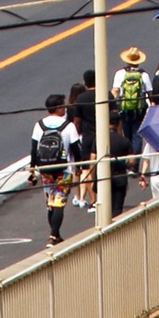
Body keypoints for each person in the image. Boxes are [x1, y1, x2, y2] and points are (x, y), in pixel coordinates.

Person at [28, 94, 80, 247]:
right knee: (59, 202)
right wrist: (79, 166)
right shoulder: (68, 126)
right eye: (63, 106)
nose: (64, 108)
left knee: (51, 201)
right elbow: (76, 148)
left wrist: (33, 169)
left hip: (46, 169)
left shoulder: (39, 125)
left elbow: (34, 149)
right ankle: (53, 235)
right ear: (58, 108)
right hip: (64, 169)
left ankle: (55, 233)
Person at [69, 70, 97, 210]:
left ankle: (89, 199)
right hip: (102, 136)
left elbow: (77, 121)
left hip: (86, 137)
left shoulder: (80, 100)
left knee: (84, 169)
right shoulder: (105, 95)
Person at [112, 47, 151, 148]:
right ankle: (135, 160)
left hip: (124, 108)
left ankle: (128, 155)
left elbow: (115, 91)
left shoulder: (120, 73)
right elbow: (150, 93)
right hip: (139, 109)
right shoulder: (144, 75)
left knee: (126, 133)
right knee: (137, 134)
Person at [107, 106, 133, 218]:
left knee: (105, 207)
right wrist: (125, 165)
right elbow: (132, 161)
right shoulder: (124, 141)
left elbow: (93, 159)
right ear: (119, 124)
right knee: (117, 209)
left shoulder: (99, 140)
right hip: (120, 177)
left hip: (104, 177)